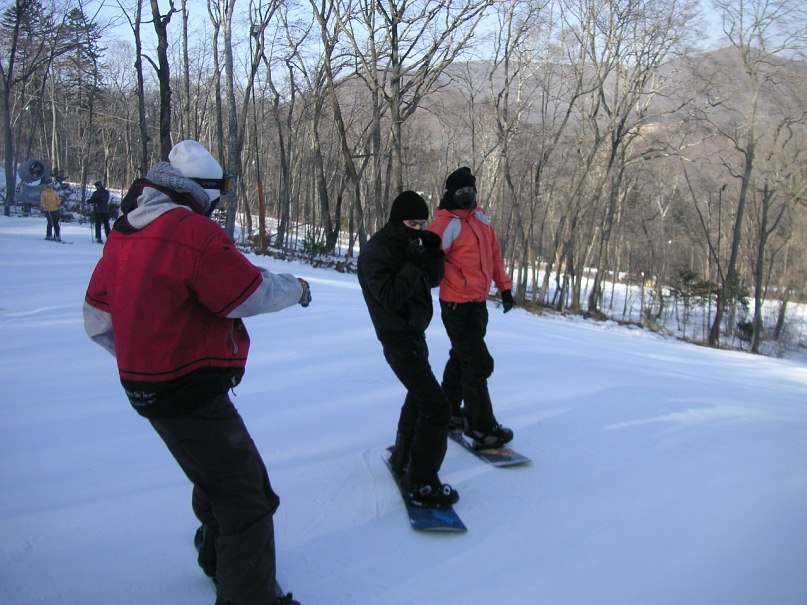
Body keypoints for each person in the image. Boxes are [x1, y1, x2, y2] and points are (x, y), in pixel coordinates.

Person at [83, 140, 309, 605]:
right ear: (201, 191)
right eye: (216, 196)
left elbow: (98, 317)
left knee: (214, 472)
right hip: (188, 388)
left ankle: (217, 559)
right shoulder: (192, 231)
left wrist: (141, 360)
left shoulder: (127, 229)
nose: (217, 206)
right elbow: (244, 292)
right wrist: (297, 288)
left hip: (149, 389)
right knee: (248, 496)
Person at [357, 190, 459, 509]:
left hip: (414, 334)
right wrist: (413, 264)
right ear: (397, 220)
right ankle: (423, 483)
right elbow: (388, 298)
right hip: (397, 340)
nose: (417, 228)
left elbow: (430, 280)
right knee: (438, 407)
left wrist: (433, 253)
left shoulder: (408, 242)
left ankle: (404, 458)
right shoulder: (376, 252)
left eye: (421, 222)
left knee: (419, 397)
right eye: (412, 223)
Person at [428, 166, 515, 448]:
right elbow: (427, 257)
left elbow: (495, 256)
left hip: (478, 303)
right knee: (477, 364)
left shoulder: (481, 219)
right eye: (460, 191)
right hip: (455, 304)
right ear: (451, 195)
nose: (467, 195)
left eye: (470, 190)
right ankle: (480, 426)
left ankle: (451, 411)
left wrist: (505, 288)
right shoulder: (446, 223)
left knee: (461, 357)